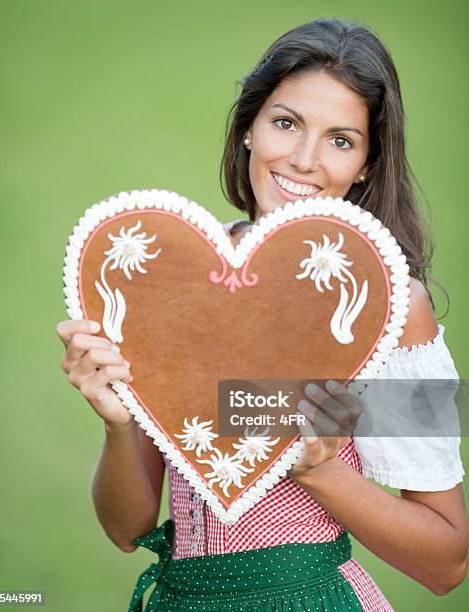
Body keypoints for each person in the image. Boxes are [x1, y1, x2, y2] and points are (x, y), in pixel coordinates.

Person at [56, 18, 468, 611]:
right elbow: (126, 529)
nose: (304, 159)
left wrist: (323, 472)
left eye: (341, 140)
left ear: (368, 166)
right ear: (248, 126)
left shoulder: (398, 311)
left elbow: (448, 561)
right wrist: (118, 423)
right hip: (182, 598)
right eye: (286, 123)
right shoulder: (173, 281)